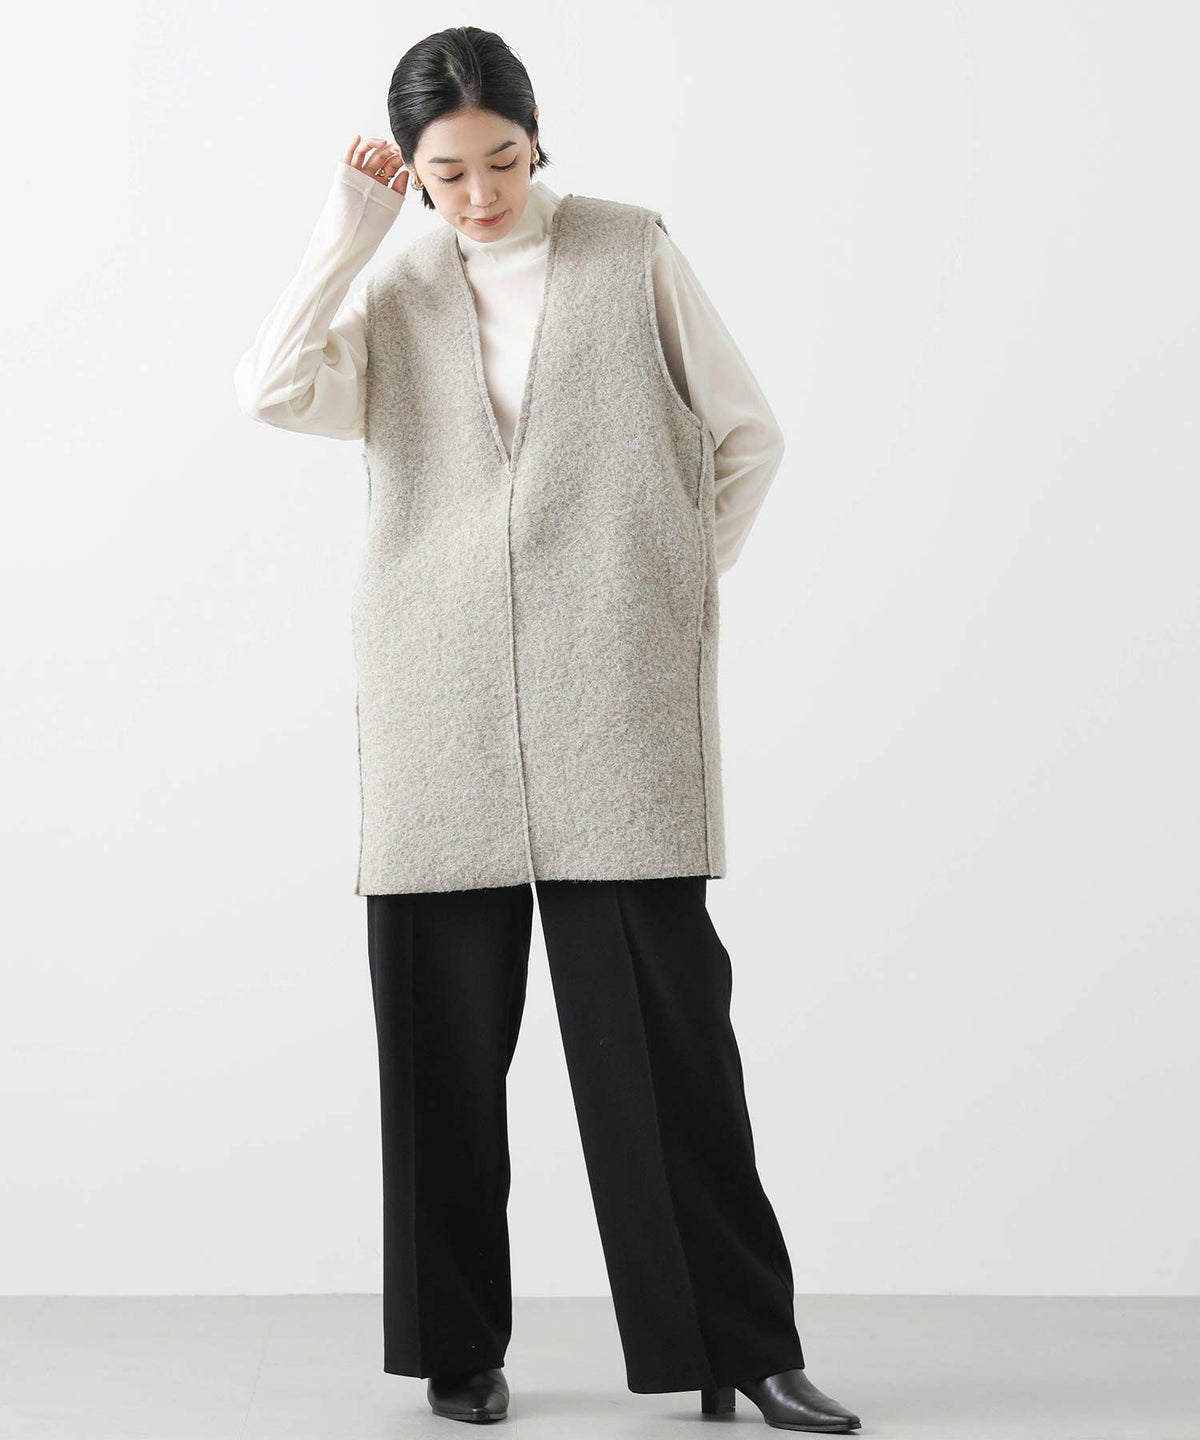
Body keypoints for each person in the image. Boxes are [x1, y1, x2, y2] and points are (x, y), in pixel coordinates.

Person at [234, 24, 861, 1435]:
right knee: (439, 1048)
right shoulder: (394, 285)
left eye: (502, 162)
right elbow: (270, 390)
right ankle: (456, 1347)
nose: (479, 196)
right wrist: (349, 230)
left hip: (613, 703)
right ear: (414, 174)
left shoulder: (631, 251)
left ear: (537, 139)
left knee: (666, 1040)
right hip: (436, 703)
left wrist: (667, 588)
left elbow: (745, 433)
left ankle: (742, 1345)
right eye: (447, 174)